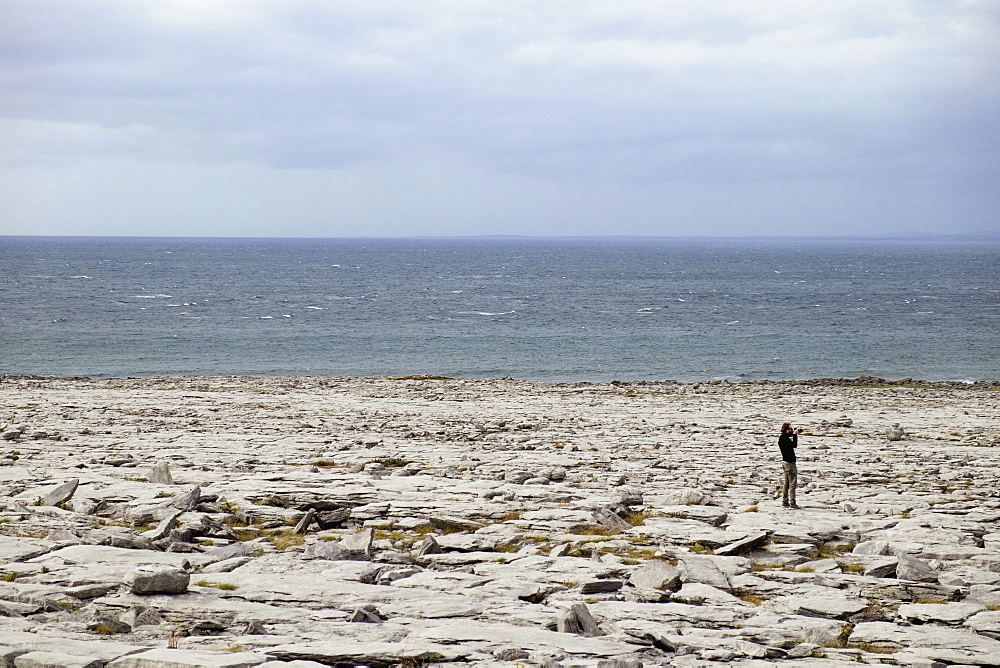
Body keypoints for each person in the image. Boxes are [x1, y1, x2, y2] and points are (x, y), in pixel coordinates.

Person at [778, 422, 800, 508]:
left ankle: (785, 501)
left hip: (785, 463)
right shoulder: (785, 439)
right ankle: (792, 502)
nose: (791, 430)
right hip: (790, 464)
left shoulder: (782, 438)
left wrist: (793, 433)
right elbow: (794, 445)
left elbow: (788, 439)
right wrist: (795, 435)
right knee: (792, 484)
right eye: (790, 429)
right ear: (786, 430)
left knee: (786, 483)